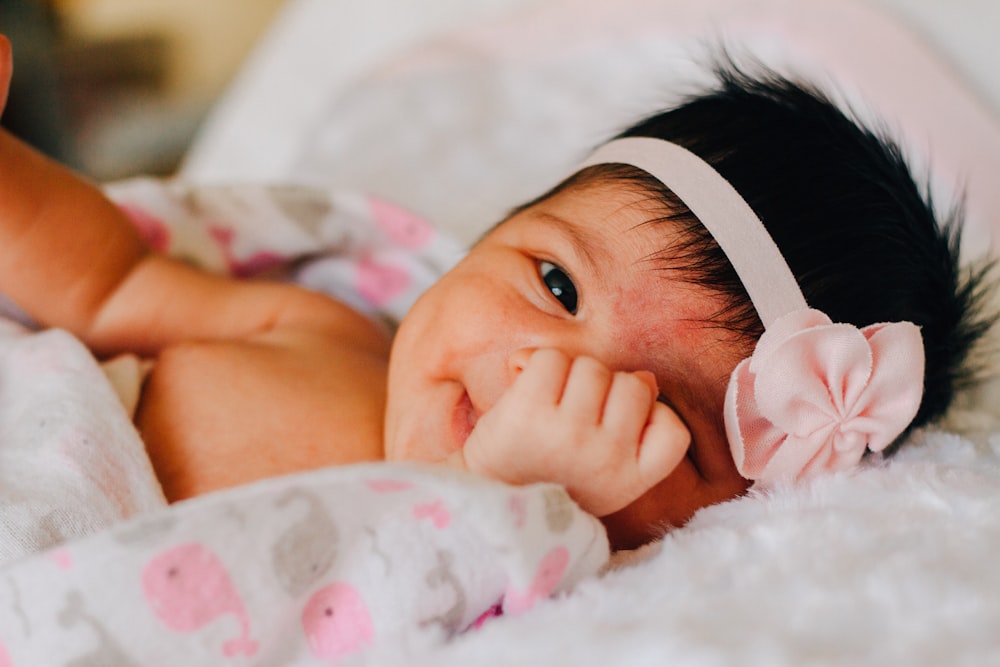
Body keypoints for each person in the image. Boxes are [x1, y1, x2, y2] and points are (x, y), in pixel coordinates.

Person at [0, 34, 990, 551]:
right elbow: (107, 281)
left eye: (660, 418)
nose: (546, 377)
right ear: (485, 238)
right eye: (555, 283)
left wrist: (505, 506)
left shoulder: (538, 583)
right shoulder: (319, 331)